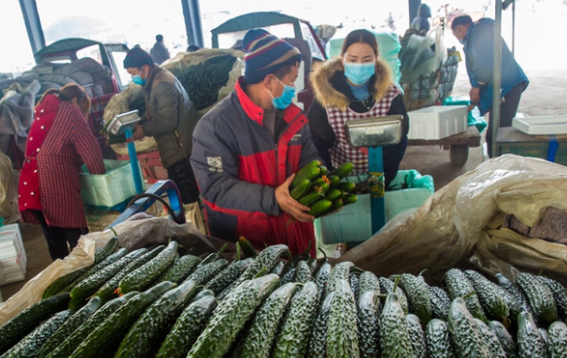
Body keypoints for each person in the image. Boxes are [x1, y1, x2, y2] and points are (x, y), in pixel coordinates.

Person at [190, 29, 319, 256]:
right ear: (269, 81)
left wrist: (323, 184)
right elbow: (216, 189)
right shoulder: (215, 126)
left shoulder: (294, 119)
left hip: (298, 242)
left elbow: (312, 161)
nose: (294, 89)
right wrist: (272, 198)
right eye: (291, 81)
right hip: (249, 252)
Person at [308, 29, 409, 189]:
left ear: (376, 59)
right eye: (353, 60)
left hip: (382, 175)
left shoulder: (391, 96)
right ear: (342, 59)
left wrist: (384, 178)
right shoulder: (326, 98)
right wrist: (328, 180)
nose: (359, 66)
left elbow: (399, 140)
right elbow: (317, 144)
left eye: (367, 59)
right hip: (340, 179)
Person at [18, 84, 105, 260]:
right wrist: (102, 185)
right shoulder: (70, 111)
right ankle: (84, 279)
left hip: (31, 189)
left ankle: (64, 280)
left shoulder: (44, 110)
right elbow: (92, 152)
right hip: (55, 187)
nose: (81, 112)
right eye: (82, 107)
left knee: (56, 243)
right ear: (75, 101)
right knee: (78, 242)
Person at [123, 46, 200, 205]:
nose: (133, 78)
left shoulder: (162, 84)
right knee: (180, 196)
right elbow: (154, 111)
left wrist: (143, 130)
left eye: (133, 73)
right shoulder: (152, 81)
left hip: (180, 150)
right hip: (176, 148)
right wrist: (140, 120)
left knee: (187, 200)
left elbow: (167, 121)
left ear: (144, 67)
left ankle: (194, 227)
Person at [451, 14, 529, 154]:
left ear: (459, 28)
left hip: (506, 84)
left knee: (499, 132)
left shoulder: (476, 33)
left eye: (456, 35)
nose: (459, 40)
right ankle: (498, 159)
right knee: (496, 130)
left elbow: (482, 63)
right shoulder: (481, 29)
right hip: (505, 83)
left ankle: (501, 164)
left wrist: (476, 86)